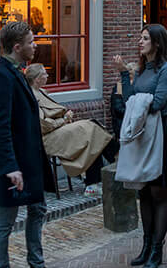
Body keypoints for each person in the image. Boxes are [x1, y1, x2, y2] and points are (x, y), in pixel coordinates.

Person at [0, 22, 64, 268]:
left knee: (38, 209)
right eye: (31, 41)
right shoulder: (0, 77)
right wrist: (9, 167)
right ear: (17, 47)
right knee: (5, 219)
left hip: (30, 160)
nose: (35, 45)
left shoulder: (18, 73)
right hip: (14, 164)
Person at [113, 24, 167, 268]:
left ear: (157, 43)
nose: (140, 42)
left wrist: (137, 102)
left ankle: (157, 249)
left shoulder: (166, 70)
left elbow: (158, 104)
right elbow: (130, 100)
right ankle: (146, 245)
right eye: (140, 38)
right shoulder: (141, 71)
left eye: (145, 39)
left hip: (159, 138)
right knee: (143, 193)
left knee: (158, 193)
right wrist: (123, 75)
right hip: (142, 137)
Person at [24, 63, 116, 196]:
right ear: (37, 78)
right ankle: (117, 157)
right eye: (44, 73)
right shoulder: (32, 96)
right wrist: (65, 119)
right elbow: (42, 124)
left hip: (58, 130)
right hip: (48, 137)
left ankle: (93, 183)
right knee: (90, 127)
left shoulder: (42, 92)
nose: (48, 75)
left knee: (93, 133)